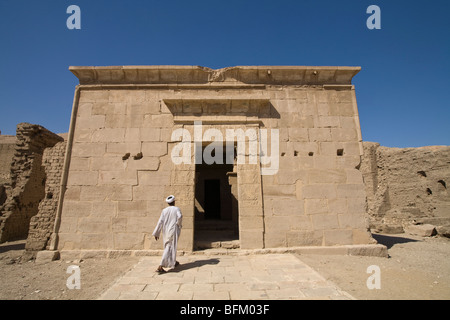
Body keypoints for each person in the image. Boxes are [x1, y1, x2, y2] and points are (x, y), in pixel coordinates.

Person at [152, 195, 183, 273]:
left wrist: (157, 233)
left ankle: (173, 262)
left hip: (166, 231)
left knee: (169, 246)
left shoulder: (164, 210)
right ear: (174, 201)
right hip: (173, 230)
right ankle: (160, 266)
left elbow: (160, 222)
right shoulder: (176, 209)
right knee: (169, 247)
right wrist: (178, 224)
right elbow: (180, 216)